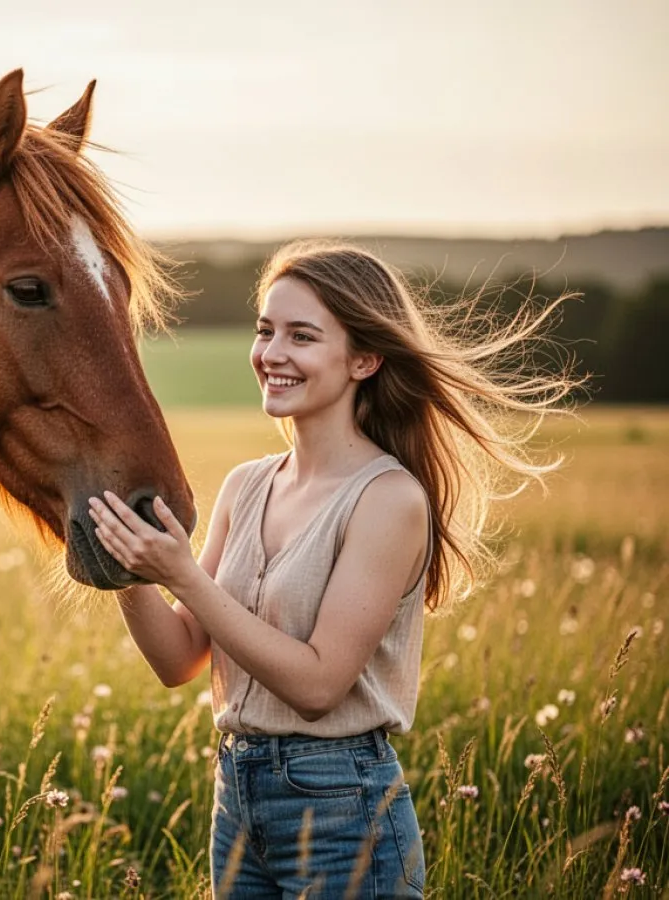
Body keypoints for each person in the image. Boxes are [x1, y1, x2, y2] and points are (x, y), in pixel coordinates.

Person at [88, 240, 575, 898]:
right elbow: (179, 661)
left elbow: (319, 687)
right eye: (266, 331)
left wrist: (182, 577)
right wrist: (122, 565)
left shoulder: (389, 500)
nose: (272, 354)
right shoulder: (246, 485)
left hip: (344, 805)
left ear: (364, 359)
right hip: (236, 795)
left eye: (303, 336)